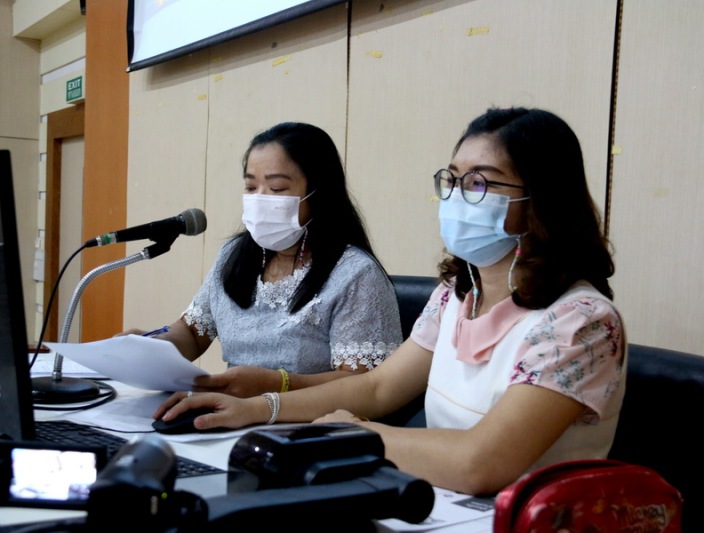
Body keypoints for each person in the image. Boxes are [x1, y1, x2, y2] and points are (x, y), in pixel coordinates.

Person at [153, 108, 627, 496]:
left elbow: (480, 463)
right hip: (436, 498)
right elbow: (379, 388)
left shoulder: (581, 323)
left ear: (542, 200)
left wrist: (358, 433)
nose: (456, 197)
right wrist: (260, 409)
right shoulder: (457, 295)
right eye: (452, 180)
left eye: (480, 183)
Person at [125, 122, 402, 398]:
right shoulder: (234, 254)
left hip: (310, 420)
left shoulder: (356, 274)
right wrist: (155, 348)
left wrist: (277, 384)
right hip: (231, 413)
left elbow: (362, 385)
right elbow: (192, 332)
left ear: (320, 193)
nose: (260, 200)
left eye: (277, 188)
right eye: (250, 186)